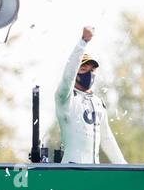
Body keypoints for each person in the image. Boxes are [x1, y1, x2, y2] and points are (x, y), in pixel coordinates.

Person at [54, 25, 126, 164]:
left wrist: (124, 167)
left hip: (94, 172)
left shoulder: (98, 103)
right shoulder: (65, 98)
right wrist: (83, 42)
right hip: (71, 171)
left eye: (92, 70)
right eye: (84, 68)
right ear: (76, 71)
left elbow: (107, 139)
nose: (90, 73)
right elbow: (68, 76)